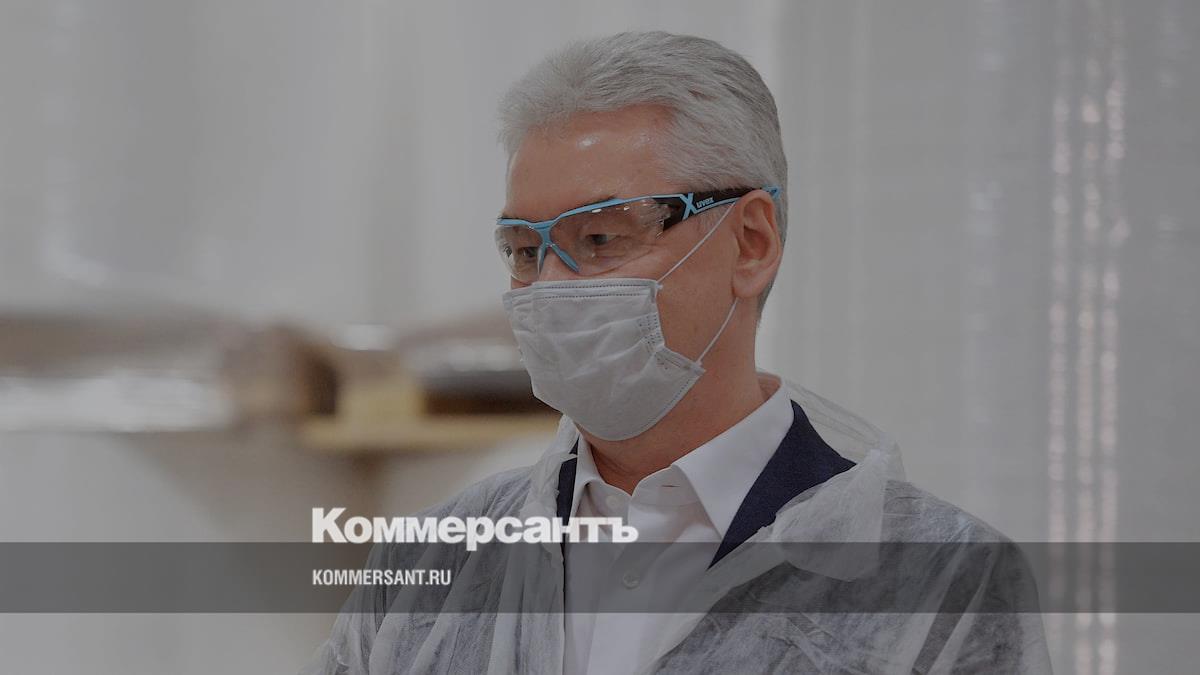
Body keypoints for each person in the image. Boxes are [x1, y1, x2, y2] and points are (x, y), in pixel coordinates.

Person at [304, 31, 1050, 674]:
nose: (549, 288)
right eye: (526, 250)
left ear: (750, 242)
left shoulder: (940, 583)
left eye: (600, 237)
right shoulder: (430, 567)